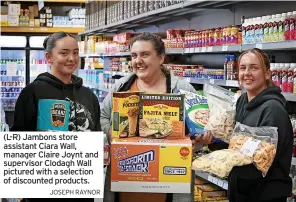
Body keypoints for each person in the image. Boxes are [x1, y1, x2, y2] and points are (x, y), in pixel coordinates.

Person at [100, 32, 197, 202]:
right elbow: (103, 115)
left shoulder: (182, 88)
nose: (138, 61)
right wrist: (111, 134)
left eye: (145, 54)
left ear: (161, 58)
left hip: (168, 182)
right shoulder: (121, 86)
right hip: (127, 177)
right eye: (134, 55)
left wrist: (194, 139)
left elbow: (198, 127)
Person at [11, 32, 101, 202]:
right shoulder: (32, 92)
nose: (71, 58)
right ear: (49, 57)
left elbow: (96, 134)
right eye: (64, 53)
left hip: (81, 189)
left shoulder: (88, 95)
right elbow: (19, 139)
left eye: (75, 52)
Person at [227, 48, 293, 202]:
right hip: (242, 191)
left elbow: (263, 161)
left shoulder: (272, 110)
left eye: (254, 68)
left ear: (267, 74)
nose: (247, 73)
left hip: (264, 194)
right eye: (243, 68)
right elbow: (234, 141)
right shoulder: (242, 100)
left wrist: (222, 160)